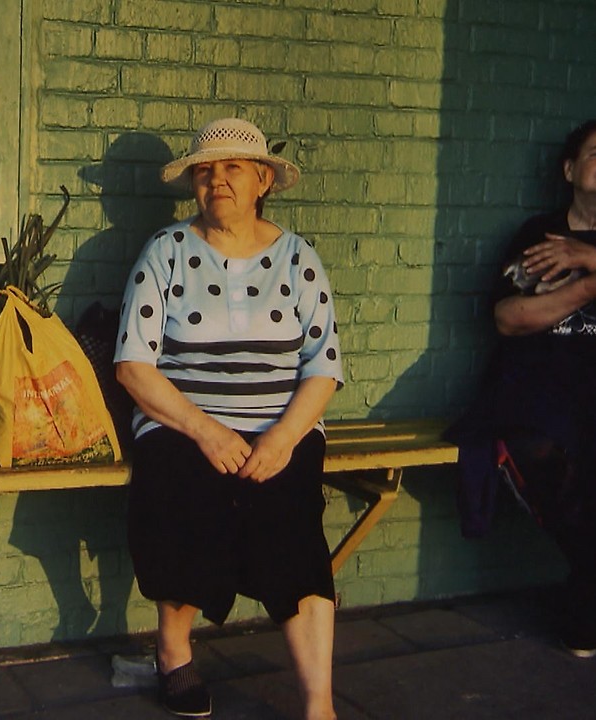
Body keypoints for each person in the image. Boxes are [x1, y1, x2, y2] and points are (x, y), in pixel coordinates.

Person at [114, 118, 344, 720]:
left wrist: (283, 439)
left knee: (293, 523)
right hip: (181, 420)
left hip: (279, 425)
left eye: (233, 168)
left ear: (262, 179)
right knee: (186, 492)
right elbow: (133, 366)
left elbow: (324, 366)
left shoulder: (299, 258)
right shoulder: (166, 252)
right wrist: (204, 429)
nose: (217, 180)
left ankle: (319, 705)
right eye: (206, 170)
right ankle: (174, 653)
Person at [447, 119, 596, 667]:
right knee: (543, 449)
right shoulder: (538, 236)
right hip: (544, 386)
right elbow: (509, 319)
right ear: (568, 169)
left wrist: (589, 258)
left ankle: (592, 588)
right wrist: (591, 288)